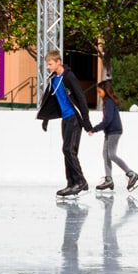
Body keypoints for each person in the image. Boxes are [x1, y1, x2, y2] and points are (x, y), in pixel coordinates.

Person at [37, 51, 93, 197]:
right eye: (47, 64)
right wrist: (46, 119)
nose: (48, 67)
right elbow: (50, 100)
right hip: (65, 119)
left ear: (58, 62)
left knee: (69, 149)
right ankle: (71, 183)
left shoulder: (69, 77)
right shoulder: (54, 79)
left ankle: (81, 182)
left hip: (74, 118)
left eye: (50, 64)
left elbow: (81, 98)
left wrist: (86, 122)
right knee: (67, 151)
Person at [89, 79, 138, 192]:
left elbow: (108, 120)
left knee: (111, 154)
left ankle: (131, 174)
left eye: (100, 92)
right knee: (105, 154)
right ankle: (109, 179)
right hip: (110, 131)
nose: (98, 94)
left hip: (114, 131)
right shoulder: (107, 101)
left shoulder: (109, 102)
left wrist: (95, 129)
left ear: (105, 91)